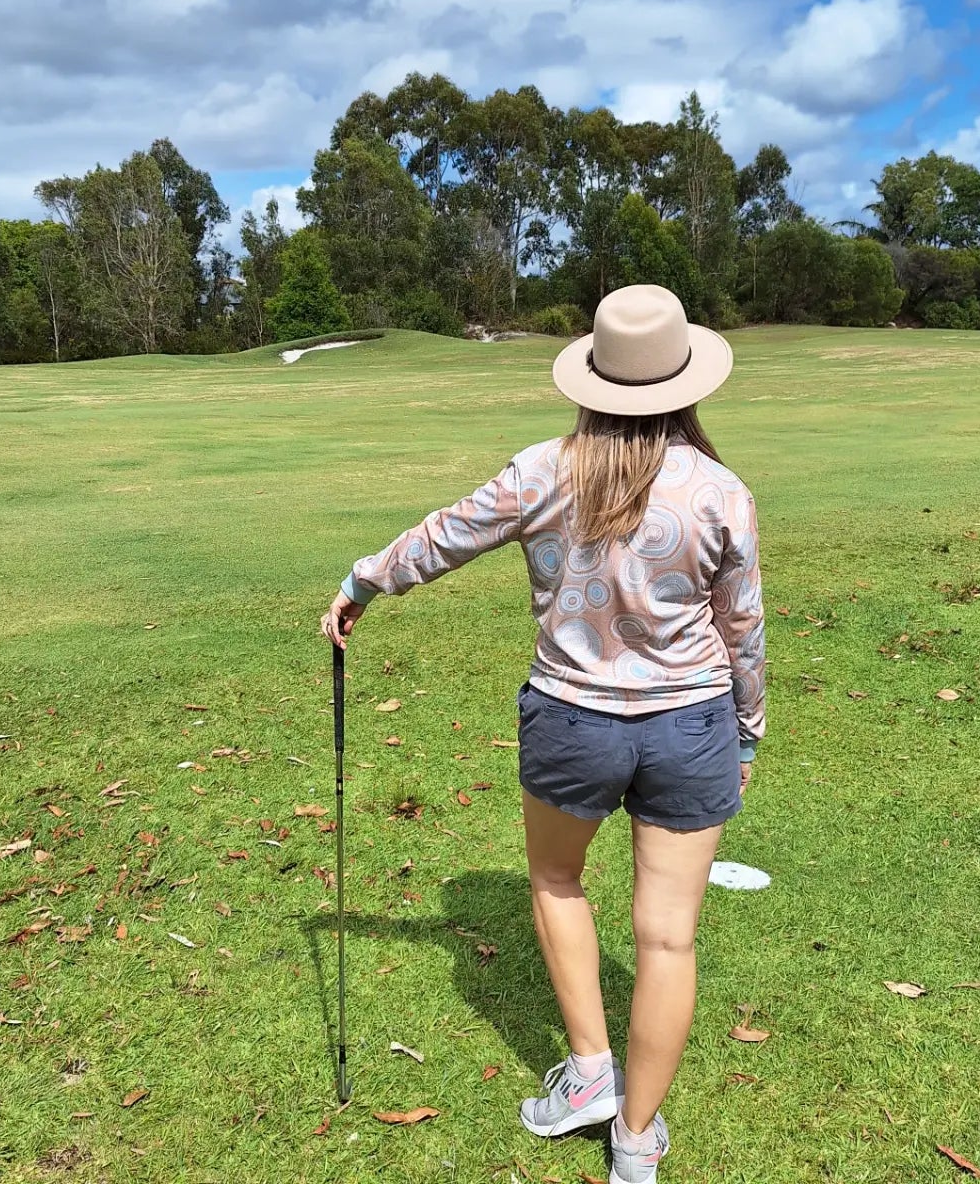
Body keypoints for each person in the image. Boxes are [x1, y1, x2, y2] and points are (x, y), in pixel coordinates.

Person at [321, 284, 765, 1184]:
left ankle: (591, 1073)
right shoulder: (721, 490)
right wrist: (747, 733)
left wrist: (365, 582)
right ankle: (635, 1140)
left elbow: (444, 537)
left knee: (559, 880)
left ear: (592, 379)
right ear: (685, 384)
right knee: (668, 936)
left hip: (572, 721)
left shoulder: (543, 470)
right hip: (691, 727)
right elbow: (742, 628)